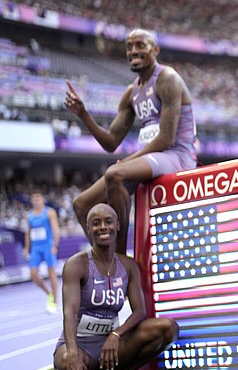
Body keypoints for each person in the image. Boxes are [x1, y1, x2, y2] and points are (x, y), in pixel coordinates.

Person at [64, 28, 197, 255]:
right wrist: (83, 114)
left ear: (155, 50)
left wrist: (126, 162)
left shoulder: (167, 79)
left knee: (115, 174)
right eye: (129, 46)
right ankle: (109, 262)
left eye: (140, 45)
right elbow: (110, 142)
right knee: (81, 204)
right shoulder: (131, 92)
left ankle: (121, 258)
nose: (133, 51)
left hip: (177, 156)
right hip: (153, 157)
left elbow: (166, 138)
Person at [53, 203, 179, 370]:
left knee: (168, 328)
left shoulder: (128, 266)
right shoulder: (77, 264)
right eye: (96, 223)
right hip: (81, 344)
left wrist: (115, 335)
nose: (103, 227)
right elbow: (70, 313)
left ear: (118, 225)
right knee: (65, 361)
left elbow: (140, 311)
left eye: (108, 221)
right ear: (88, 228)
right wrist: (73, 354)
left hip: (111, 345)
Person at [23, 191, 60, 314]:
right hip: (36, 248)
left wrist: (55, 245)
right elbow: (28, 232)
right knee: (33, 274)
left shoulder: (49, 212)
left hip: (48, 246)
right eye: (34, 199)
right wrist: (26, 248)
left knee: (51, 273)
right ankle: (48, 292)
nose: (36, 201)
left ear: (42, 200)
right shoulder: (29, 215)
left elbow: (56, 229)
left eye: (38, 198)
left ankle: (54, 300)